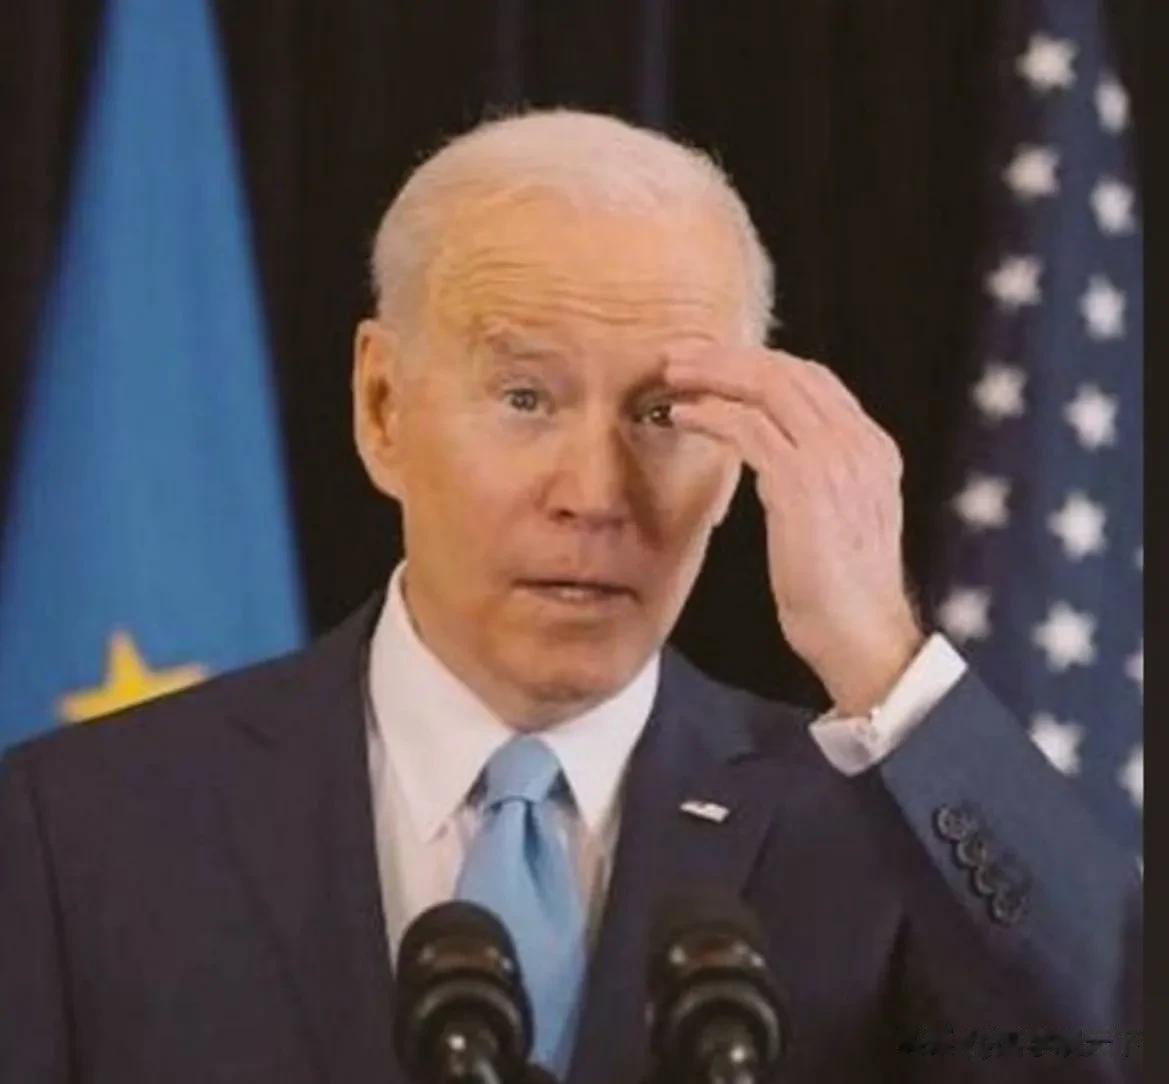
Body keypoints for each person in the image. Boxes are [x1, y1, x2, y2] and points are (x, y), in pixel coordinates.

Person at [0, 109, 1139, 1084]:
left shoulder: (872, 841)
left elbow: (1122, 1049)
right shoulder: (82, 826)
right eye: (525, 398)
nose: (593, 496)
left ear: (738, 460)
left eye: (660, 416)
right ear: (383, 406)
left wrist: (881, 656)